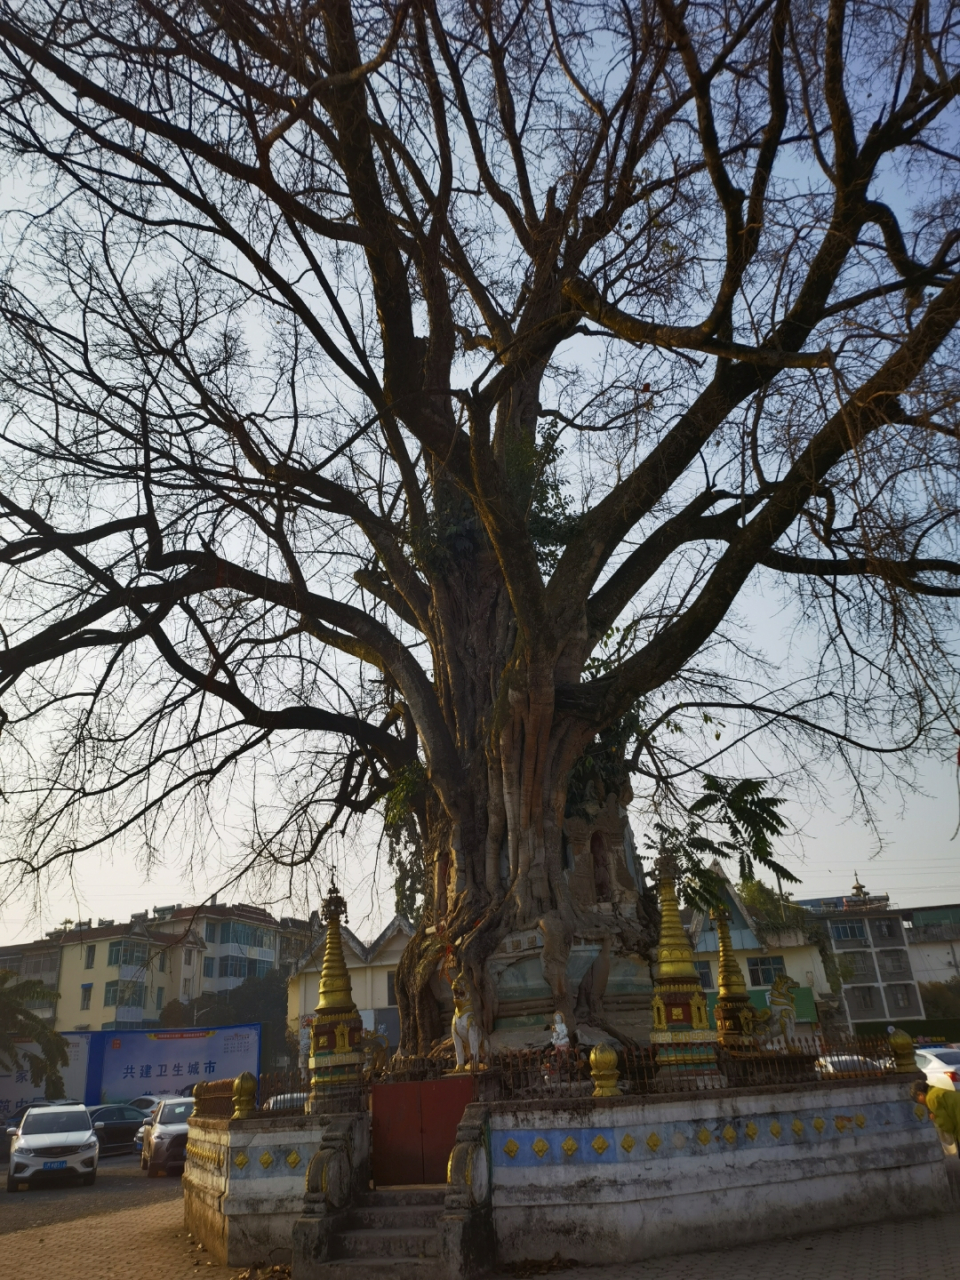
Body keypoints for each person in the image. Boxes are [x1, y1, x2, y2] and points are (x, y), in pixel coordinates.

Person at [911, 1079, 960, 1156]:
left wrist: (935, 1119)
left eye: (918, 1101)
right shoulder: (936, 1090)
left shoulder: (931, 1098)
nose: (921, 1104)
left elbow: (947, 1125)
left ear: (920, 1094)